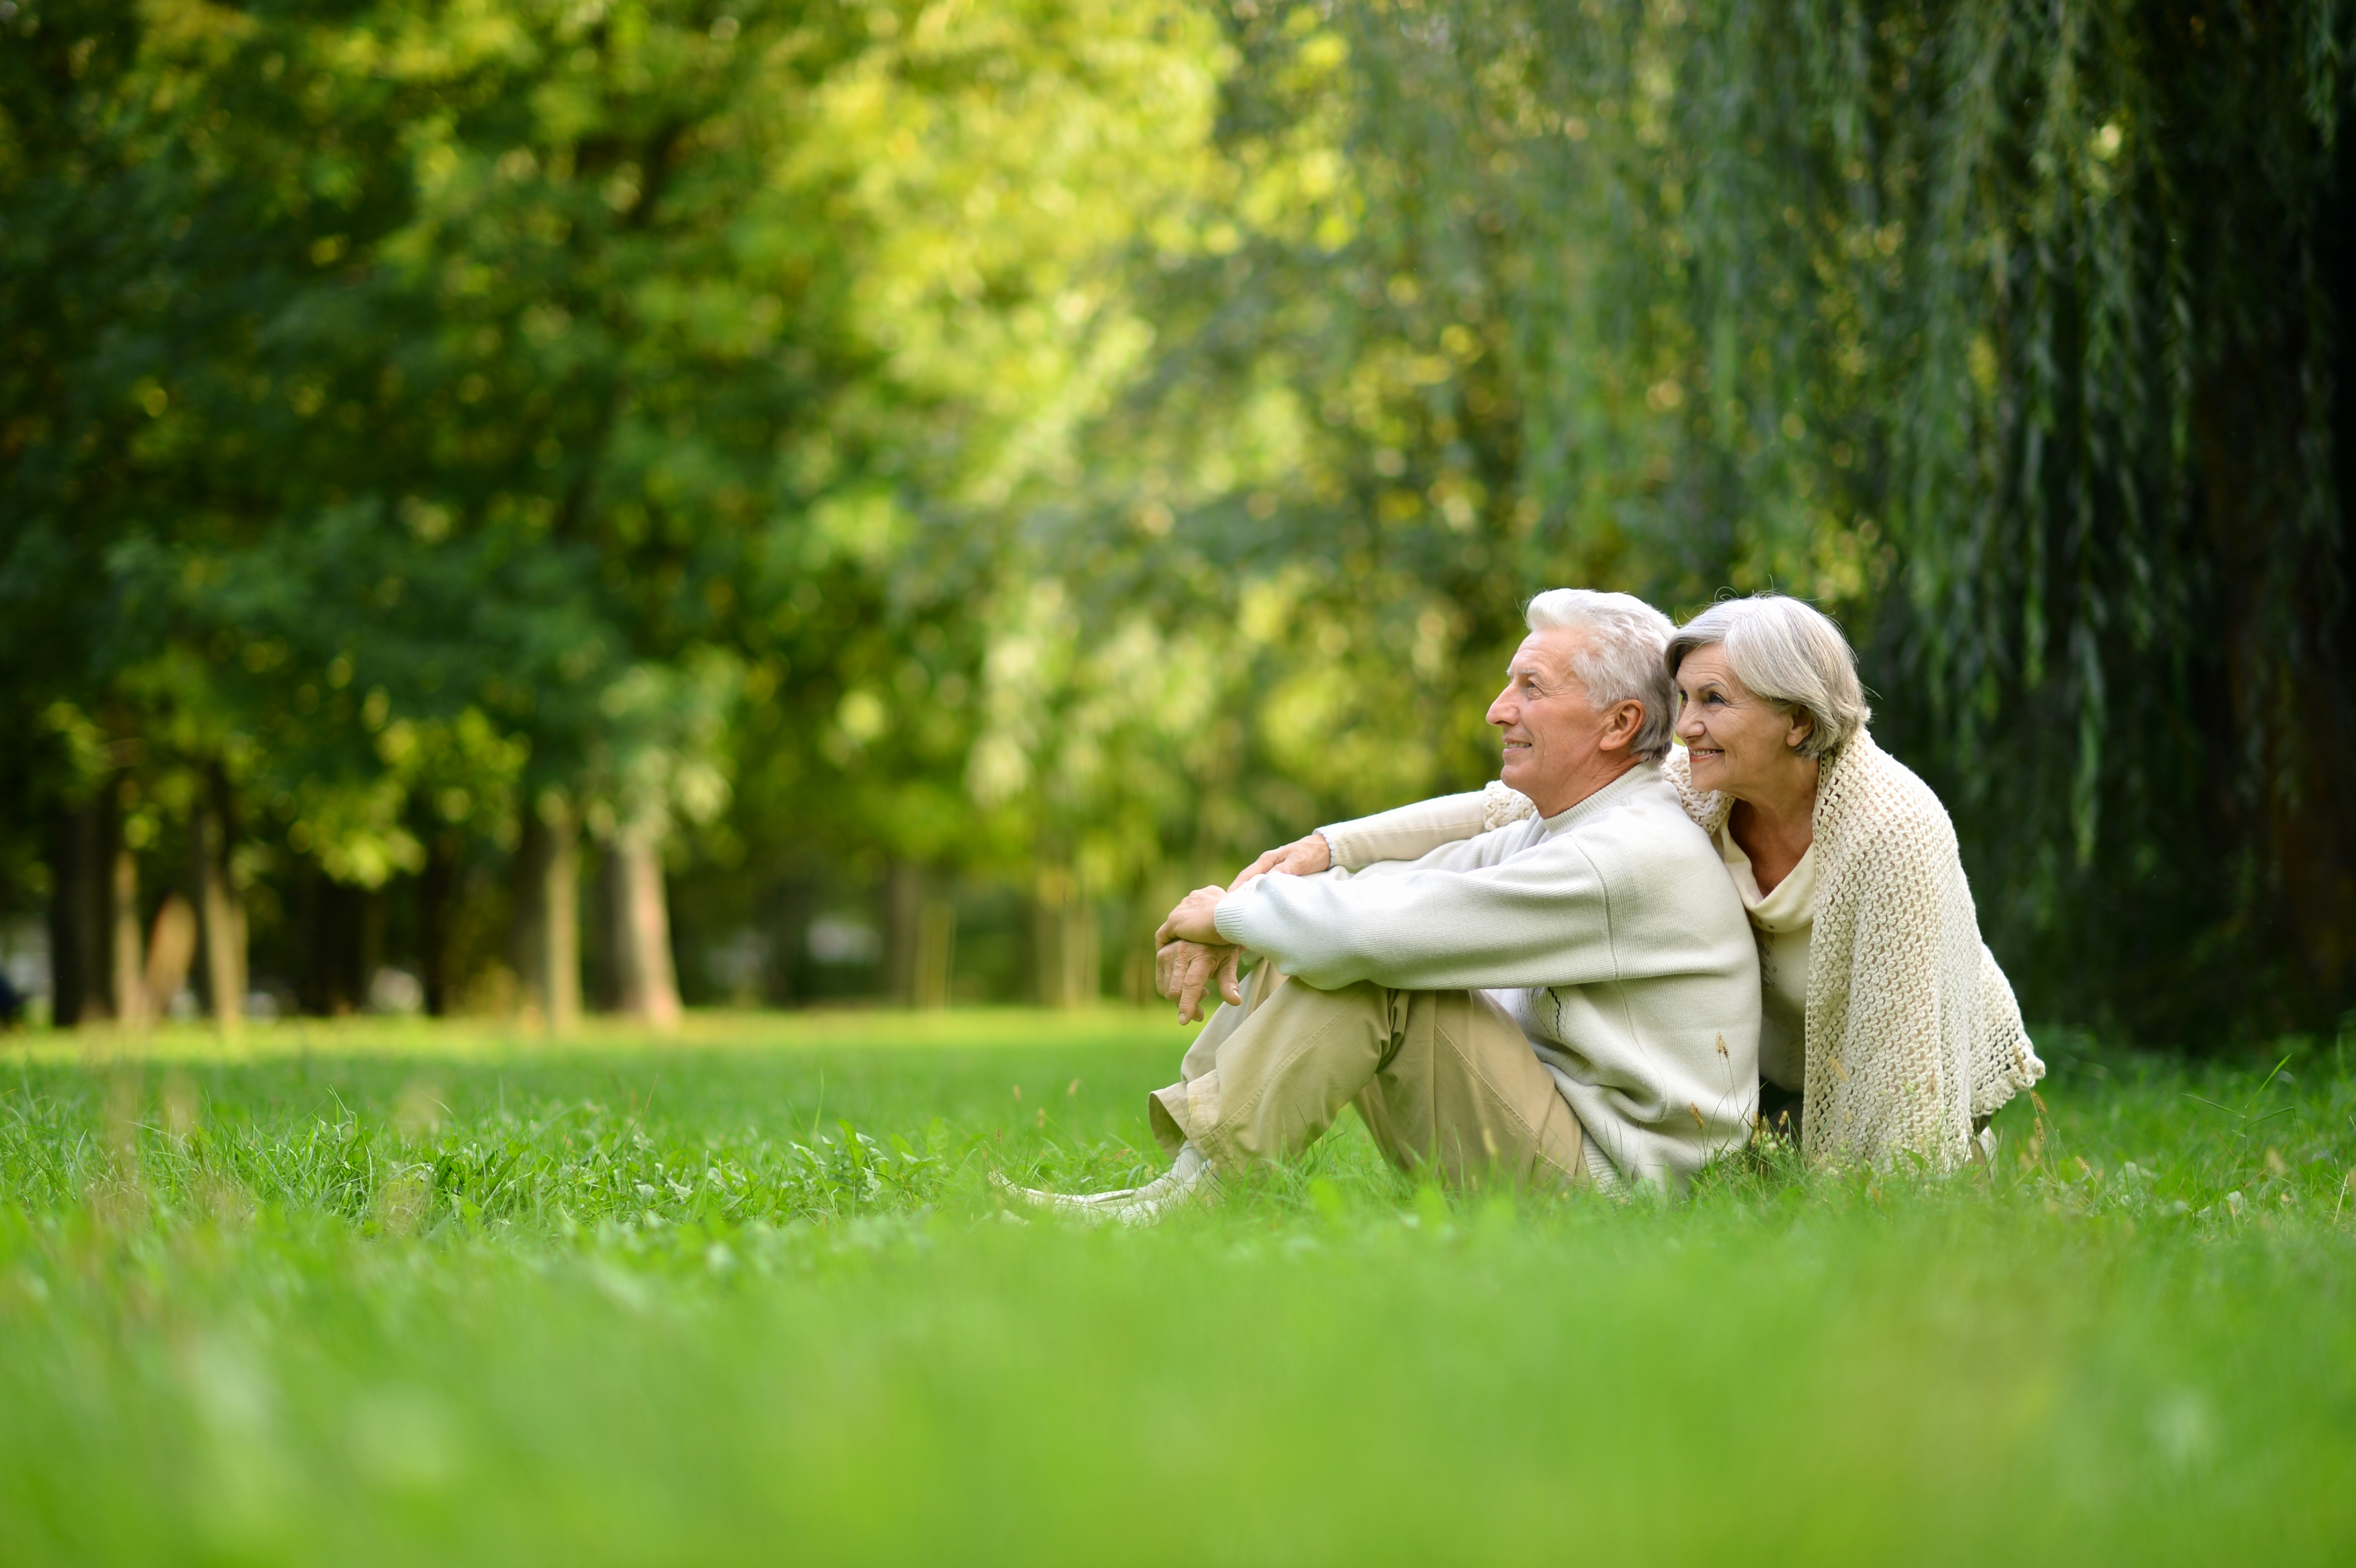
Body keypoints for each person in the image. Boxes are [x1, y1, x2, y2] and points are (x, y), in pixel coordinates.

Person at [1012, 589, 1762, 1223]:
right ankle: (1183, 1186)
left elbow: (1378, 937)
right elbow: (1390, 899)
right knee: (1338, 941)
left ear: (1619, 724)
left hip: (1621, 1198)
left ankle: (1187, 1204)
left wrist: (1227, 917)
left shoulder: (1626, 853)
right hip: (1569, 1147)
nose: (1499, 710)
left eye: (1532, 687)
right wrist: (1249, 912)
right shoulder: (1562, 827)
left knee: (1374, 968)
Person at [1223, 592, 2044, 1171]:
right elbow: (1496, 810)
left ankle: (1207, 1178)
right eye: (1684, 699)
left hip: (1886, 1074)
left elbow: (1904, 1073)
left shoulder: (1891, 834)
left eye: (1714, 702)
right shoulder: (1702, 787)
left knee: (1381, 964)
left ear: (1798, 720)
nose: (1684, 728)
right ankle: (1207, 1166)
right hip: (1747, 1102)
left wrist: (1855, 1204)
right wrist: (1328, 849)